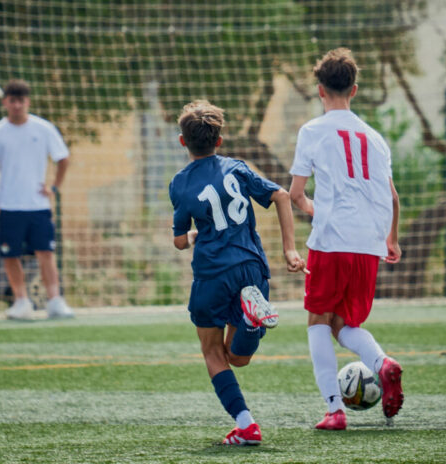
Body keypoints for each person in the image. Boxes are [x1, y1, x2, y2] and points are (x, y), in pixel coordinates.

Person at [168, 100, 305, 445]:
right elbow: (282, 195)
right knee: (237, 358)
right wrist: (290, 249)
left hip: (213, 272)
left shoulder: (181, 184)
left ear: (183, 142)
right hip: (252, 267)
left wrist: (196, 234)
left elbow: (181, 242)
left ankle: (246, 424)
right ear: (220, 141)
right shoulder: (237, 168)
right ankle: (249, 319)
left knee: (213, 353)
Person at [288, 48, 404, 430]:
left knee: (318, 321)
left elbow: (296, 195)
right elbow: (393, 197)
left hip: (331, 242)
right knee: (344, 324)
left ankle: (335, 410)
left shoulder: (312, 131)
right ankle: (382, 364)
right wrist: (391, 240)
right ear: (353, 90)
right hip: (369, 242)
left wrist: (319, 211)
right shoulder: (375, 138)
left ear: (320, 90)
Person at [0, 79, 72, 320]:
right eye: (13, 101)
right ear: (6, 103)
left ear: (27, 102)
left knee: (45, 252)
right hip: (9, 205)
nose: (17, 105)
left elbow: (63, 158)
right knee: (11, 255)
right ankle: (21, 300)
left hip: (38, 205)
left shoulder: (43, 129)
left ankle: (54, 300)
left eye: (21, 101)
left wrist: (54, 187)